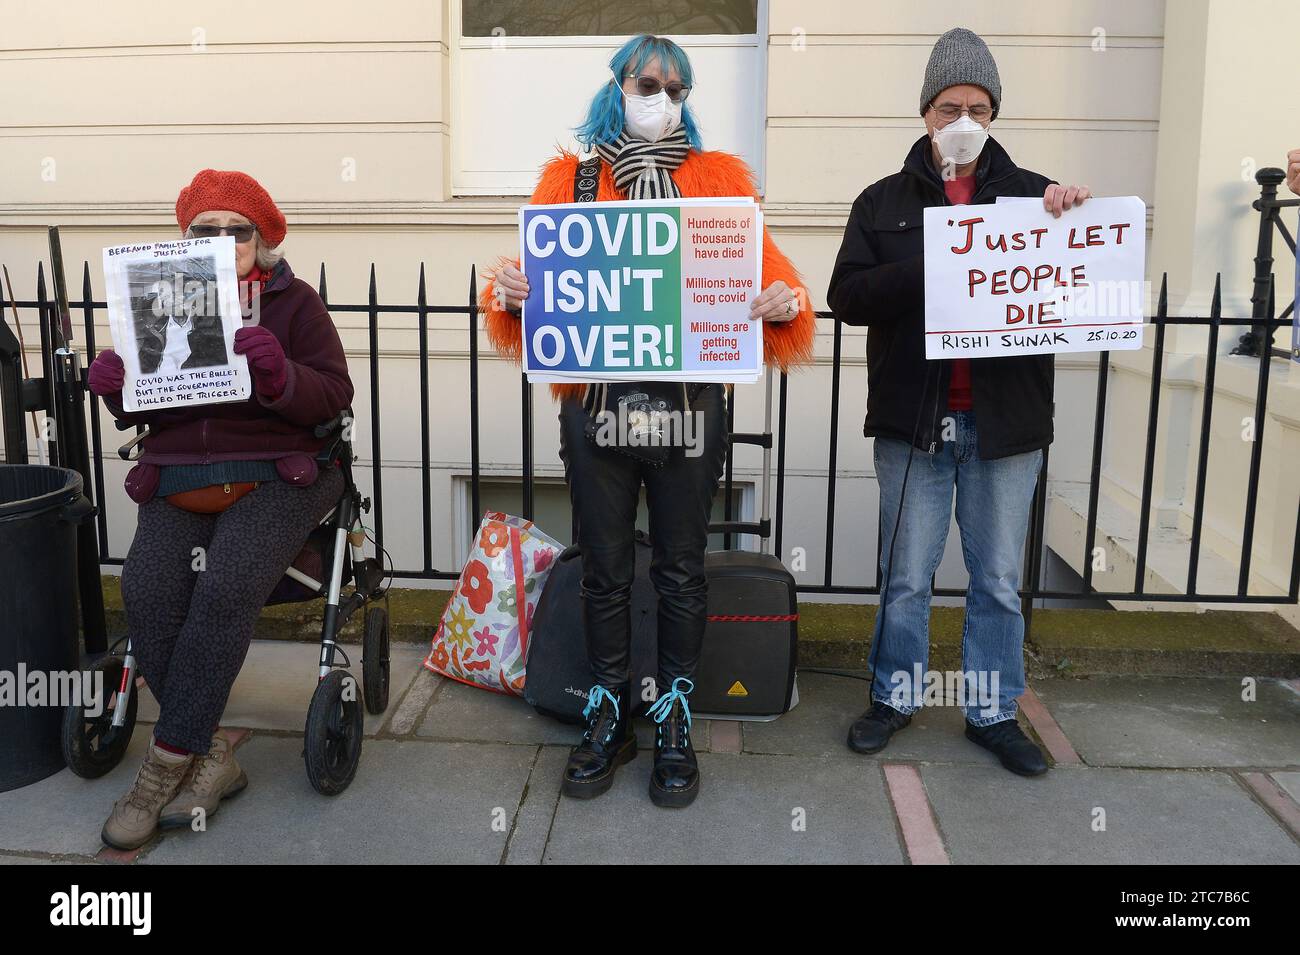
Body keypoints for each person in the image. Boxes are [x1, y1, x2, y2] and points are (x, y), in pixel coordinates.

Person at [482, 34, 814, 807]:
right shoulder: (569, 181)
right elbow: (534, 287)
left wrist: (782, 302)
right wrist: (510, 293)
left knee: (680, 566)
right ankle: (607, 710)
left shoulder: (718, 182)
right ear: (619, 86)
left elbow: (767, 278)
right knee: (603, 565)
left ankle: (672, 713)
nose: (659, 94)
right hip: (596, 406)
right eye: (647, 80)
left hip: (690, 407)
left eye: (675, 85)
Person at [827, 28, 1091, 776]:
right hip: (915, 423)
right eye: (950, 106)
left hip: (1004, 426)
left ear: (995, 112)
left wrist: (1070, 219)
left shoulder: (1037, 197)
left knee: (999, 577)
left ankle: (993, 711)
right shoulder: (881, 202)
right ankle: (894, 696)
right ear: (925, 114)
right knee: (906, 573)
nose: (963, 119)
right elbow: (846, 296)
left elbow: (1076, 283)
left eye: (978, 105)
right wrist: (931, 263)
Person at [87, 169, 354, 848]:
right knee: (144, 587)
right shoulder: (160, 300)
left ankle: (162, 766)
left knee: (228, 582)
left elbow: (334, 394)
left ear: (261, 239)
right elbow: (147, 407)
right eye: (208, 230)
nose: (225, 240)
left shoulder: (296, 304)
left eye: (240, 230)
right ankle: (210, 751)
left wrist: (281, 375)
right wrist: (120, 390)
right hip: (182, 471)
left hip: (278, 470)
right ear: (187, 240)